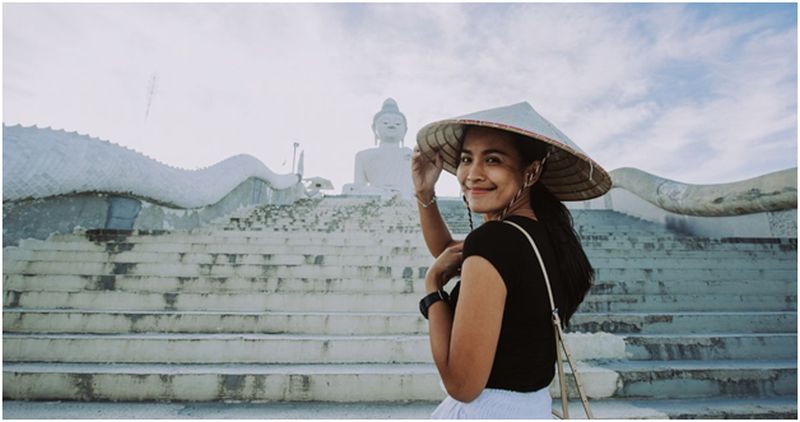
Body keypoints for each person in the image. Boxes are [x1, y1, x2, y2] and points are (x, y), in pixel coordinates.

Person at [411, 101, 611, 419]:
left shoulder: (496, 242)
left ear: (530, 172)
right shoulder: (538, 235)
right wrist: (425, 192)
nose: (472, 175)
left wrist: (432, 288)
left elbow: (462, 384)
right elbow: (451, 252)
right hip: (532, 408)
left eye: (492, 160)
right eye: (466, 159)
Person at [342, 98, 413, 198]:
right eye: (385, 123)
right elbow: (358, 186)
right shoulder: (363, 156)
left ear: (405, 130)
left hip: (405, 194)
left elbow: (418, 185)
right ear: (374, 128)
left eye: (398, 123)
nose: (392, 125)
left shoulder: (412, 155)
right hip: (377, 193)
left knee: (411, 192)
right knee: (348, 188)